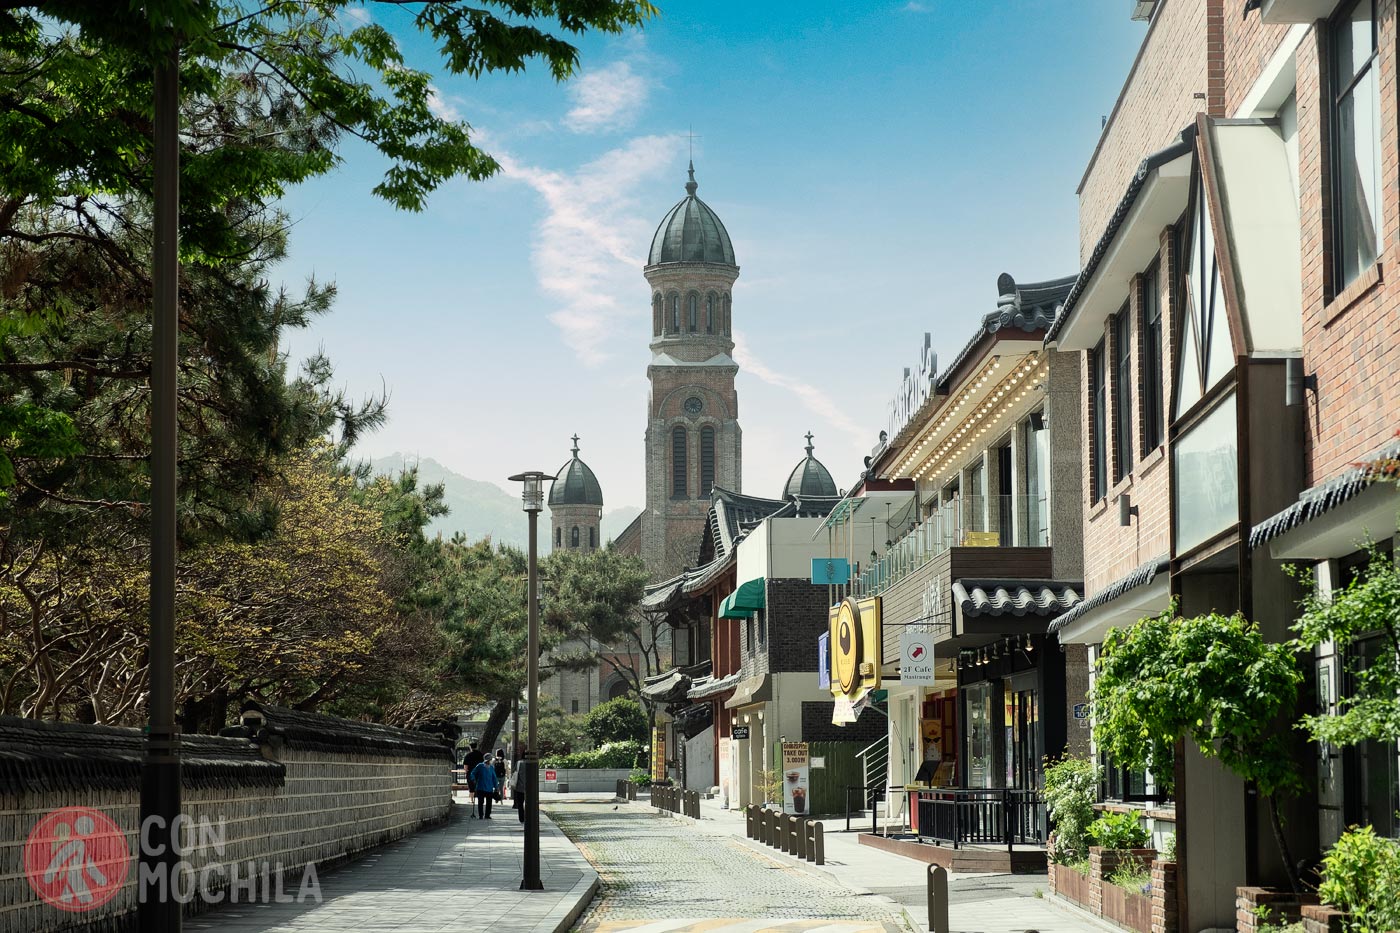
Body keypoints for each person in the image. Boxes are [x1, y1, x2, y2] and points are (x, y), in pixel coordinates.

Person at [470, 755, 499, 819]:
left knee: (489, 802)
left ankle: (487, 815)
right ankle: (481, 815)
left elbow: (494, 778)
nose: (489, 762)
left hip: (489, 787)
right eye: (488, 760)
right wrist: (473, 779)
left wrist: (496, 787)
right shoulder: (480, 766)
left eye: (490, 760)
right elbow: (473, 773)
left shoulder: (491, 767)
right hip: (481, 787)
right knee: (480, 802)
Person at [462, 742, 485, 807]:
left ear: (470, 747)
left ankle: (472, 800)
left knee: (471, 786)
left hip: (470, 772)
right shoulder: (480, 754)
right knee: (479, 786)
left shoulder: (468, 755)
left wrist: (466, 772)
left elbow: (466, 766)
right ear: (476, 747)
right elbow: (483, 764)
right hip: (479, 772)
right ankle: (480, 799)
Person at [510, 756, 526, 823]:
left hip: (519, 786)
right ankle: (528, 817)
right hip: (530, 788)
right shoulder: (531, 763)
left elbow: (513, 772)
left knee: (520, 804)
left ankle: (521, 818)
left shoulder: (518, 763)